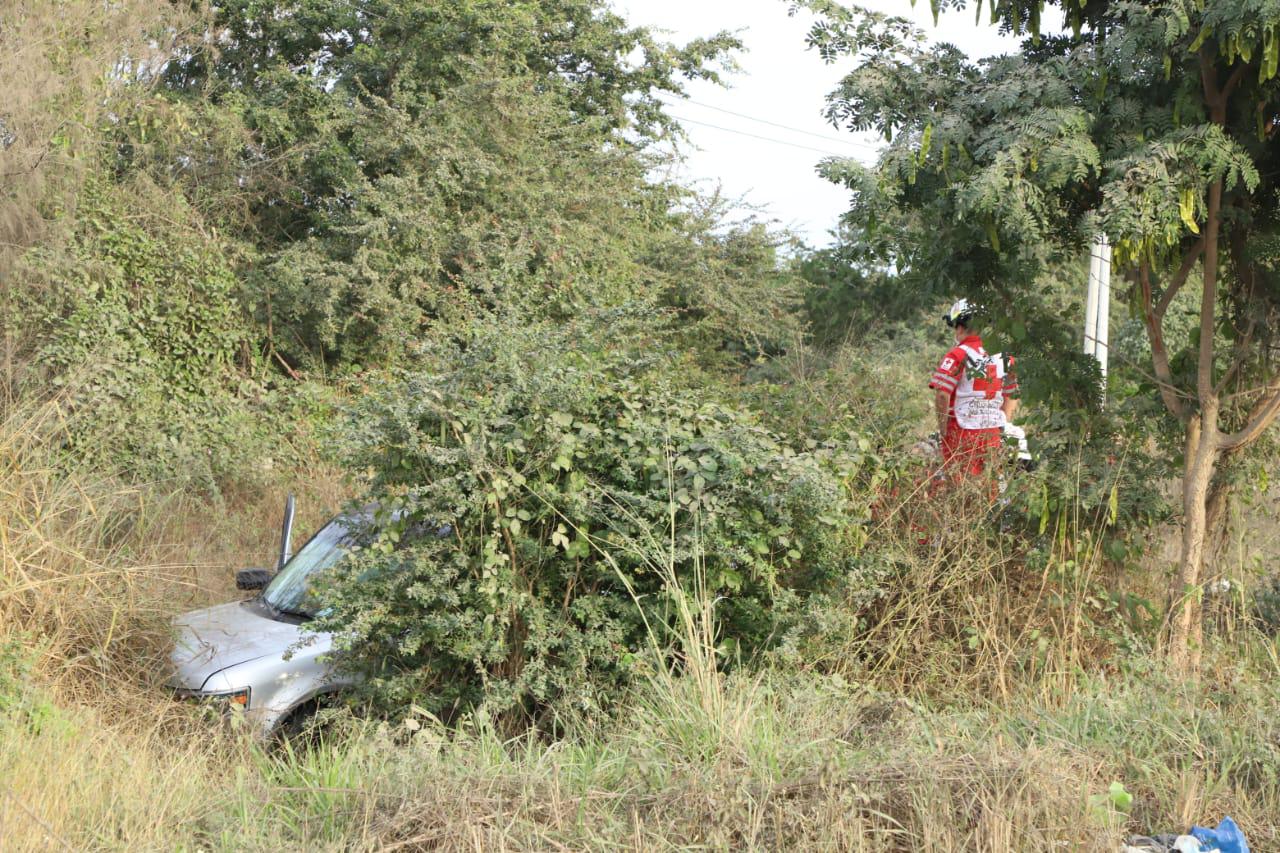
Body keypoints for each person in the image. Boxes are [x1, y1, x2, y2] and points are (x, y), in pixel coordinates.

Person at [927, 298, 1020, 480]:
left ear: (960, 327)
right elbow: (1013, 393)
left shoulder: (958, 354)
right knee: (988, 486)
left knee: (959, 487)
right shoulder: (1005, 357)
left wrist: (943, 431)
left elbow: (942, 395)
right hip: (992, 431)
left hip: (960, 431)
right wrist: (1003, 421)